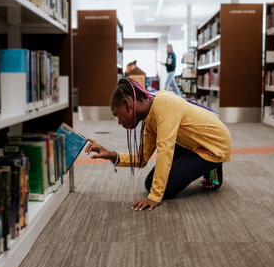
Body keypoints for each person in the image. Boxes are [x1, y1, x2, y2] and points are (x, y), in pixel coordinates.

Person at [85, 78, 231, 211]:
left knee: (163, 190)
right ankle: (203, 163)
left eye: (117, 114)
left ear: (127, 104)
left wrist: (154, 197)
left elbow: (165, 152)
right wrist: (111, 155)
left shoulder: (163, 104)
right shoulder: (150, 119)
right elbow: (141, 159)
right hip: (194, 143)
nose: (118, 121)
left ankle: (214, 165)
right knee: (150, 184)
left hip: (215, 143)